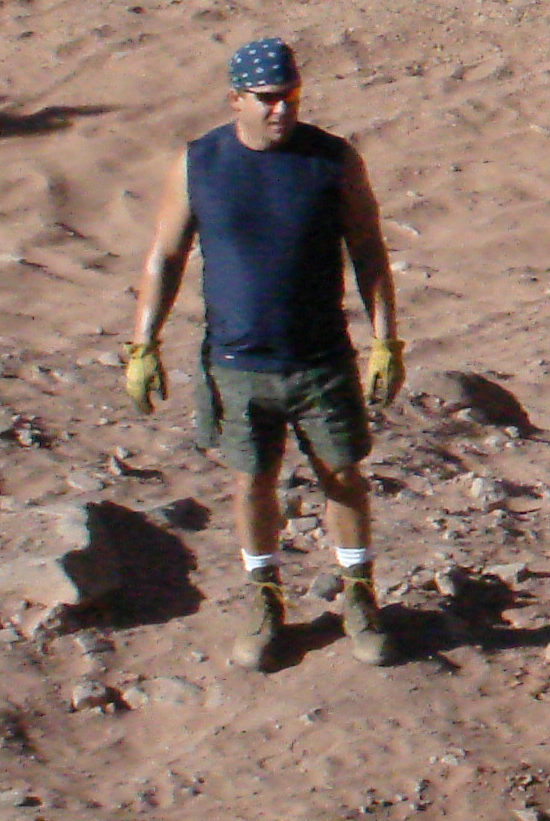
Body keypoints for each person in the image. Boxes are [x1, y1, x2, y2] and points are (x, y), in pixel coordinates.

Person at [124, 38, 408, 669]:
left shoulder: (331, 160)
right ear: (236, 99)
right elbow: (165, 255)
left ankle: (359, 597)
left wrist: (386, 341)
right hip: (237, 365)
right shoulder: (200, 163)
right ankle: (265, 599)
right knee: (252, 480)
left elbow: (369, 251)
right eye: (268, 99)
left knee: (342, 474)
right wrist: (143, 345)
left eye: (292, 97)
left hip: (322, 360)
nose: (283, 110)